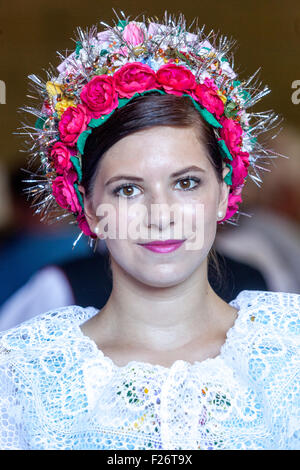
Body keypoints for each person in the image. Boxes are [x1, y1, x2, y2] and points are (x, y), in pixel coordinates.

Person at [0, 10, 299, 450]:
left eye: (186, 182)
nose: (160, 214)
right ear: (89, 208)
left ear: (223, 193)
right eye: (127, 190)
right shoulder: (24, 373)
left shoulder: (290, 352)